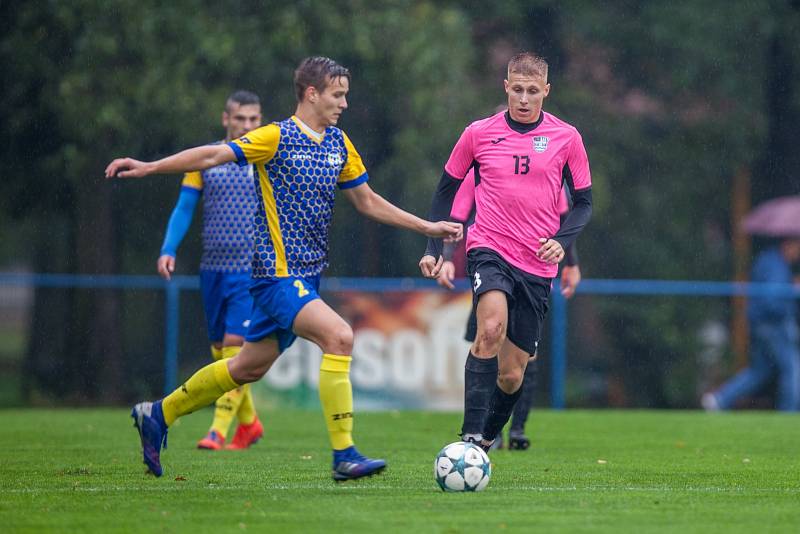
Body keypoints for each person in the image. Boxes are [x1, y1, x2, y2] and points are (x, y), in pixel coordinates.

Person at [106, 56, 462, 480]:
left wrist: (427, 225)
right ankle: (344, 454)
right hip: (275, 275)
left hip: (305, 277)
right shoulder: (276, 136)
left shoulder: (338, 143)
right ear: (312, 93)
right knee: (340, 336)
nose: (344, 103)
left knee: (246, 367)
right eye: (338, 94)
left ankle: (157, 413)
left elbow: (366, 201)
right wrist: (151, 167)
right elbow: (211, 156)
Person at [419, 52, 592, 452]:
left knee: (513, 374)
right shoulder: (478, 133)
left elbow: (583, 203)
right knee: (490, 329)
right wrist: (435, 248)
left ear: (546, 91)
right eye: (518, 89)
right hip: (490, 248)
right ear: (506, 88)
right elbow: (447, 191)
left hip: (538, 263)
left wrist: (563, 245)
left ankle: (487, 438)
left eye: (533, 91)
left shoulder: (567, 138)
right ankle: (469, 436)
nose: (525, 98)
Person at [435, 170, 582, 450]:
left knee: (523, 359)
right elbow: (458, 215)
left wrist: (571, 263)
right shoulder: (483, 165)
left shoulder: (549, 168)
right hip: (492, 265)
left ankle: (515, 429)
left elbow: (565, 220)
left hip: (535, 272)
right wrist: (446, 257)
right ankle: (480, 433)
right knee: (491, 334)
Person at [158, 90, 265, 450]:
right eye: (241, 119)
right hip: (213, 269)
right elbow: (185, 207)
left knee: (235, 348)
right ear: (226, 119)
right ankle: (249, 423)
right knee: (221, 353)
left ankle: (218, 430)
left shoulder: (266, 158)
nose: (248, 125)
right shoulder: (204, 160)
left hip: (252, 269)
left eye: (254, 119)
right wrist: (168, 248)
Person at [702, 239, 800, 412]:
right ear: (788, 244)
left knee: (759, 371)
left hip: (760, 324)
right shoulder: (775, 265)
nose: (798, 253)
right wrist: (793, 291)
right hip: (773, 326)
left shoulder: (768, 260)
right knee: (791, 368)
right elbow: (772, 301)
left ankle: (719, 400)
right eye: (797, 247)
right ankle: (789, 414)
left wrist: (790, 285)